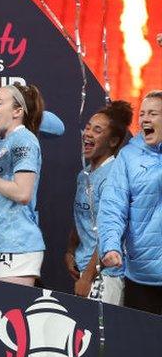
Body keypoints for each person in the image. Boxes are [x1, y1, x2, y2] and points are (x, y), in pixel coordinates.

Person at [0, 84, 46, 286]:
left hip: (17, 244)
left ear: (17, 111)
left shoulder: (24, 140)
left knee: (13, 315)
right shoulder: (1, 143)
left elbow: (23, 193)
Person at [99, 90, 162, 314]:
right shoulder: (128, 157)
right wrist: (111, 246)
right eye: (142, 113)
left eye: (153, 113)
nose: (145, 118)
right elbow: (112, 208)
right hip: (142, 277)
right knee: (144, 347)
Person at [67, 101, 132, 305]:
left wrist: (87, 277)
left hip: (106, 276)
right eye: (87, 127)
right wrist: (71, 251)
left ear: (113, 141)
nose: (88, 134)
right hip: (83, 270)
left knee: (99, 336)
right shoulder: (83, 174)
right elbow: (84, 216)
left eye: (97, 130)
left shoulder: (114, 175)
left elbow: (109, 229)